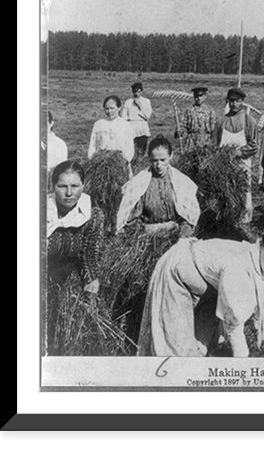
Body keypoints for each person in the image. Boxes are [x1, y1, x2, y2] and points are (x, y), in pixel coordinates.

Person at [137, 224, 264, 358]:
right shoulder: (239, 266)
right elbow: (233, 322)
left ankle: (198, 352)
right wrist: (243, 359)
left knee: (202, 342)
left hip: (205, 281)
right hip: (179, 269)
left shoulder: (262, 265)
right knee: (175, 349)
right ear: (260, 246)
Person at [46, 160, 105, 352]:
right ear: (52, 187)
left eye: (75, 186)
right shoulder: (41, 212)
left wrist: (90, 286)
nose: (69, 193)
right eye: (62, 186)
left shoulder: (91, 215)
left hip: (70, 274)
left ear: (84, 186)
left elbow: (89, 255)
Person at [116, 135, 200, 237]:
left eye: (163, 160)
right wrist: (155, 229)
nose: (159, 165)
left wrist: (181, 231)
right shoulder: (140, 183)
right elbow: (131, 222)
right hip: (148, 235)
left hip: (176, 234)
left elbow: (190, 218)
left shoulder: (181, 182)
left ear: (171, 156)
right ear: (149, 159)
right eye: (155, 161)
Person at [213, 87, 258, 223]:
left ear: (242, 102)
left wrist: (239, 152)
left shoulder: (249, 121)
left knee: (244, 193)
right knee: (225, 192)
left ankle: (244, 222)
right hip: (224, 165)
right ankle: (225, 221)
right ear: (228, 101)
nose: (234, 104)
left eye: (238, 101)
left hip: (242, 165)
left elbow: (254, 145)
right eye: (231, 101)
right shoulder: (221, 122)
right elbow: (214, 144)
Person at [88, 95, 135, 170]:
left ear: (119, 108)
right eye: (107, 109)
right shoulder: (99, 124)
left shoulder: (126, 125)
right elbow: (92, 145)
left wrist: (123, 162)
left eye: (112, 108)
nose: (109, 111)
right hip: (101, 165)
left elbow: (129, 148)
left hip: (120, 165)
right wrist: (93, 160)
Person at [175, 85, 217, 151]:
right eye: (196, 96)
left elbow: (214, 129)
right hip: (191, 143)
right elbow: (183, 126)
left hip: (206, 142)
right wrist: (180, 132)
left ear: (205, 96)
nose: (198, 98)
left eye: (200, 96)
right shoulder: (188, 110)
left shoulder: (210, 111)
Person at [120, 82, 153, 159]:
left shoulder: (146, 101)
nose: (136, 94)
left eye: (138, 92)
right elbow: (124, 117)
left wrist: (140, 105)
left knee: (142, 148)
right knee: (131, 149)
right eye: (135, 91)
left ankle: (140, 162)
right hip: (131, 126)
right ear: (132, 92)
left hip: (142, 127)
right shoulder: (128, 102)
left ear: (141, 91)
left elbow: (147, 116)